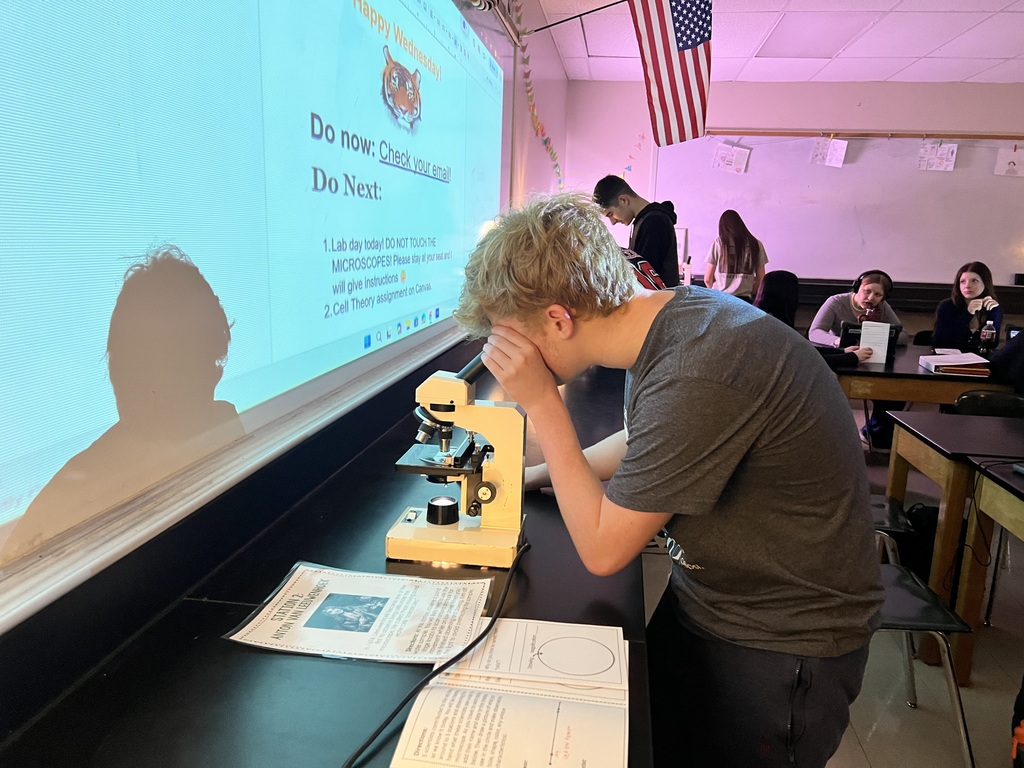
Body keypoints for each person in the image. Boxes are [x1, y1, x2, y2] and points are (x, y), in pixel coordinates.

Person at [455, 193, 883, 768]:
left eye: (509, 337)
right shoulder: (674, 319)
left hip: (783, 640)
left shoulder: (702, 363)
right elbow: (645, 436)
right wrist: (533, 475)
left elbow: (605, 551)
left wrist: (542, 406)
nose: (504, 354)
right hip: (715, 601)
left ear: (558, 319)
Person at [809, 270, 904, 451]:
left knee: (894, 387)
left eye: (877, 295)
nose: (871, 297)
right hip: (839, 357)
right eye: (867, 291)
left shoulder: (882, 308)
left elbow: (902, 335)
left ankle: (875, 431)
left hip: (869, 358)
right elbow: (815, 331)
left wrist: (880, 332)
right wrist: (837, 341)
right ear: (857, 288)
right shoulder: (836, 302)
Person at [593, 175, 679, 287]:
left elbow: (646, 277)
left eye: (610, 214)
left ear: (623, 200)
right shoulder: (643, 221)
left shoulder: (654, 221)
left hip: (662, 300)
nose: (612, 222)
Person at [932, 261, 1002, 351]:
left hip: (981, 360)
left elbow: (992, 344)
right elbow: (940, 342)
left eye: (974, 281)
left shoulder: (993, 308)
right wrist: (968, 314)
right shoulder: (947, 306)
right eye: (962, 282)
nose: (967, 286)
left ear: (985, 283)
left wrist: (994, 313)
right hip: (950, 359)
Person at [703, 209, 768, 300]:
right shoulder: (756, 244)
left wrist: (715, 292)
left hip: (721, 298)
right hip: (745, 300)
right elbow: (761, 279)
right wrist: (750, 291)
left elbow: (707, 279)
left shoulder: (718, 243)